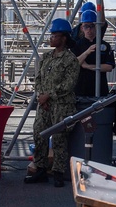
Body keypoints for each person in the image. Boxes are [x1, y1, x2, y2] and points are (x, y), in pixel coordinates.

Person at [25, 18, 80, 188]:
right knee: (39, 133)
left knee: (59, 138)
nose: (51, 38)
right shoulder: (46, 57)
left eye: (54, 36)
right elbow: (38, 78)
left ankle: (58, 172)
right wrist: (41, 95)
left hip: (61, 106)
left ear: (63, 38)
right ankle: (40, 168)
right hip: (45, 105)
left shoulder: (71, 60)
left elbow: (68, 84)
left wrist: (48, 95)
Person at [73, 9, 115, 97]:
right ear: (81, 28)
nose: (89, 30)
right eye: (86, 26)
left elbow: (109, 67)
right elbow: (73, 64)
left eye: (92, 26)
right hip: (81, 89)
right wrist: (86, 53)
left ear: (97, 26)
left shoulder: (104, 45)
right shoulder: (77, 45)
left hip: (100, 88)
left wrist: (88, 66)